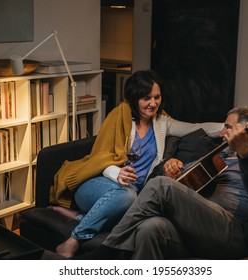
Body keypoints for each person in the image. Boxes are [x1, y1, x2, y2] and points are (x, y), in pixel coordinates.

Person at [49, 70, 223, 258]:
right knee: (128, 197)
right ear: (135, 98)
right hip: (95, 183)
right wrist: (117, 174)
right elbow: (99, 157)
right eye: (146, 98)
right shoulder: (118, 116)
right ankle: (73, 240)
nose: (153, 103)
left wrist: (227, 128)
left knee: (139, 205)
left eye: (157, 97)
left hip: (131, 192)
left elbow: (196, 127)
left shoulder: (162, 122)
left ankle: (79, 217)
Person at [73, 106, 248, 259]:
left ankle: (105, 252)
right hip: (200, 229)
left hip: (234, 235)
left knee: (161, 186)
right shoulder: (219, 157)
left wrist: (246, 154)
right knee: (151, 227)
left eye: (228, 127)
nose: (222, 133)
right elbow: (187, 174)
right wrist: (171, 165)